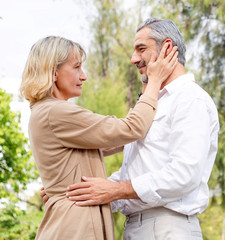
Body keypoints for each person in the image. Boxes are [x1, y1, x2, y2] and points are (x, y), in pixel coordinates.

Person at [65, 18, 220, 239]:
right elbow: (135, 172)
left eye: (141, 49)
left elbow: (183, 175)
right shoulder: (155, 103)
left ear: (167, 48)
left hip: (167, 228)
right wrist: (74, 192)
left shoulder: (190, 100)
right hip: (142, 227)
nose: (133, 59)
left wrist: (114, 191)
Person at [21, 35, 178, 240]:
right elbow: (131, 129)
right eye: (76, 67)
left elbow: (113, 140)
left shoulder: (45, 112)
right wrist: (154, 80)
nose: (83, 76)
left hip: (71, 222)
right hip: (75, 227)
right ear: (53, 72)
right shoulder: (56, 112)